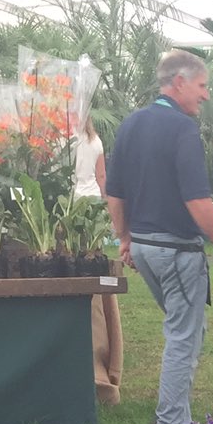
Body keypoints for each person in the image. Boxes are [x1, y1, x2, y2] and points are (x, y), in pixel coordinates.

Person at [106, 50, 213, 424]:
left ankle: (176, 417)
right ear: (179, 82)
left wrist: (124, 239)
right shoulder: (182, 129)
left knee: (186, 328)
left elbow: (114, 192)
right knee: (183, 339)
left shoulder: (131, 123)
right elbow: (197, 200)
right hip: (176, 250)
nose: (205, 96)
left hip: (144, 247)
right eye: (202, 86)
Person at [75, 118, 122, 408]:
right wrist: (106, 206)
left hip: (70, 203)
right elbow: (102, 177)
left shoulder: (64, 140)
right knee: (91, 260)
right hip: (91, 203)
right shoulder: (95, 140)